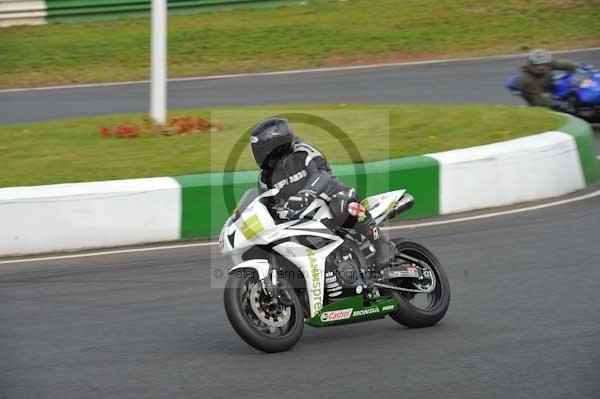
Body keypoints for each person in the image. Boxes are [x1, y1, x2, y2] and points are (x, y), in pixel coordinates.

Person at [249, 117, 395, 271]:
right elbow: (268, 203)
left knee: (342, 205)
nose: (258, 154)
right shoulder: (266, 177)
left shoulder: (303, 151)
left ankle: (381, 242)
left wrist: (307, 192)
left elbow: (321, 173)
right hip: (301, 215)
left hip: (332, 196)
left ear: (276, 146)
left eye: (261, 149)